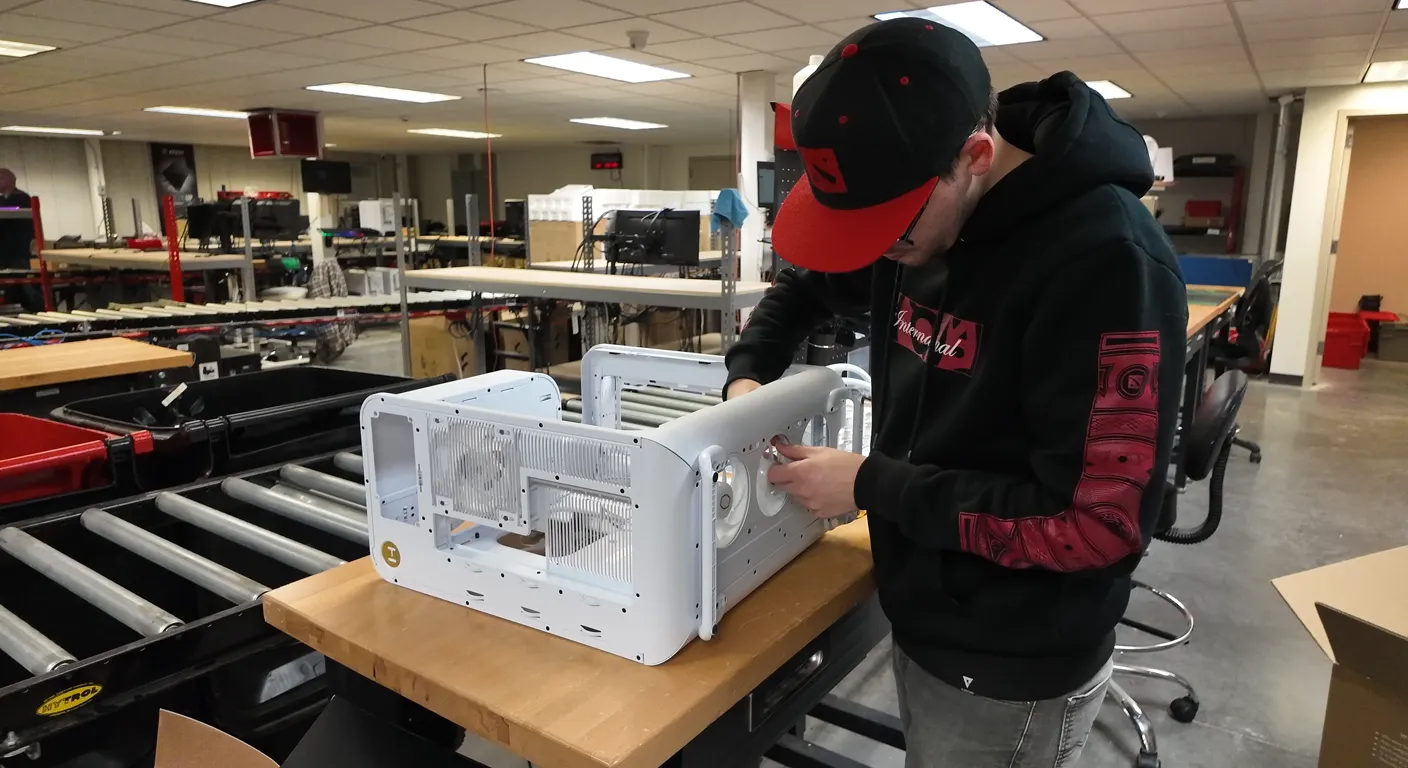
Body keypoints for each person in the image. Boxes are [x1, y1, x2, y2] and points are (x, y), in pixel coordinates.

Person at [724, 18, 1187, 768]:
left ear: (974, 158)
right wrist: (749, 374)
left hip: (1015, 656)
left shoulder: (1104, 263)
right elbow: (806, 288)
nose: (881, 252)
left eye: (892, 232)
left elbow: (1094, 525)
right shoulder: (922, 212)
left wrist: (872, 484)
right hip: (926, 610)